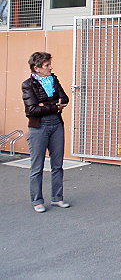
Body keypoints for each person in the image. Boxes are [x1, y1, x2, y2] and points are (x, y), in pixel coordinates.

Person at [22, 52, 70, 213]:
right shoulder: (28, 84)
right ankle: (37, 200)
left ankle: (57, 198)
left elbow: (65, 99)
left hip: (56, 125)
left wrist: (46, 105)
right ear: (37, 68)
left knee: (57, 165)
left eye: (50, 64)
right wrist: (54, 107)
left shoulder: (54, 80)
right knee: (37, 166)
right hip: (39, 128)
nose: (51, 67)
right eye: (47, 65)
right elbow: (32, 109)